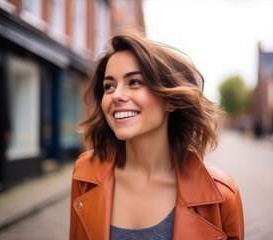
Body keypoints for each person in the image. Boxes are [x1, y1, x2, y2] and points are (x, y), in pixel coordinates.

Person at [70, 29, 244, 240]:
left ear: (170, 100)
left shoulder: (222, 196)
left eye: (134, 82)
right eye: (109, 86)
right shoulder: (85, 174)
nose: (116, 95)